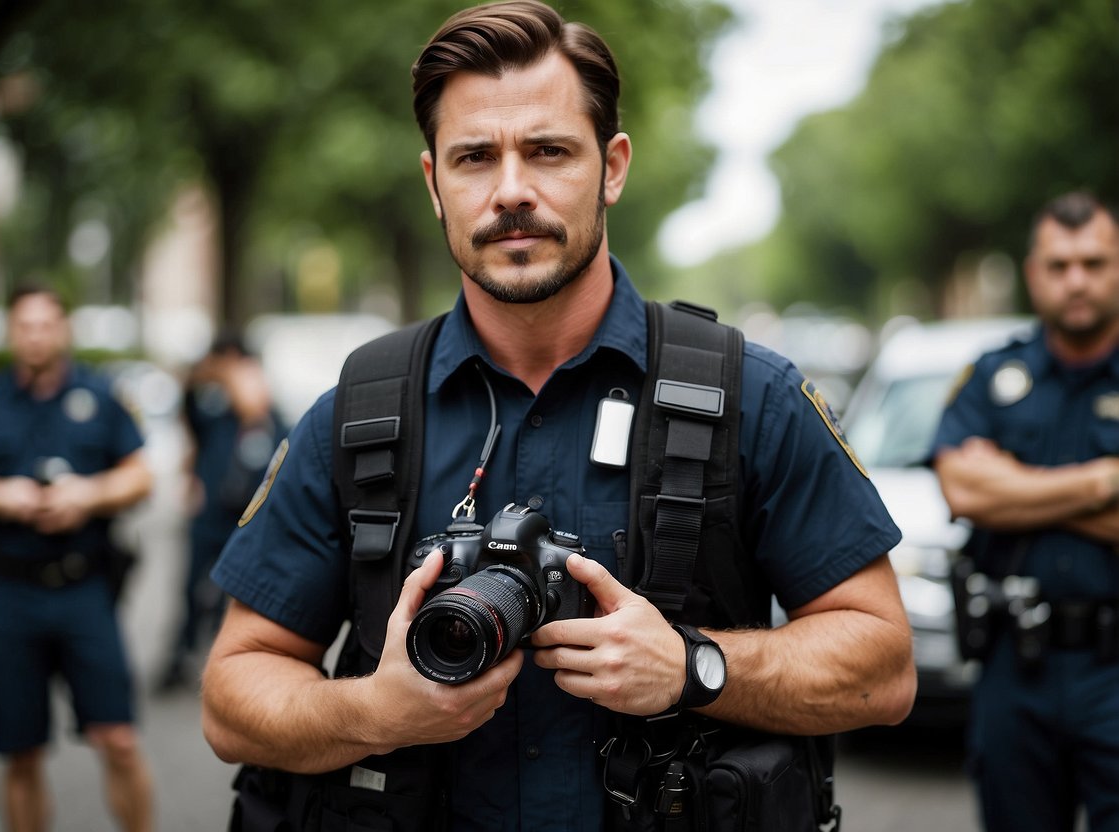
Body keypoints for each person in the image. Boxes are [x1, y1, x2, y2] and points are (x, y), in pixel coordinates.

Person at [201, 3, 916, 830]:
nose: (511, 191)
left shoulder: (748, 398)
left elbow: (884, 666)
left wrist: (694, 667)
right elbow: (231, 696)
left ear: (611, 167)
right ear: (434, 183)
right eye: (474, 157)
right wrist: (375, 712)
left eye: (547, 151)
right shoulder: (358, 416)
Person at [0, 286, 155, 832]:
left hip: (84, 590)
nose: (35, 336)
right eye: (24, 326)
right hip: (9, 595)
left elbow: (141, 476)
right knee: (22, 752)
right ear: (11, 333)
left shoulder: (102, 398)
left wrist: (88, 495)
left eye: (45, 324)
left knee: (118, 740)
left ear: (64, 329)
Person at [931, 191, 1119, 832]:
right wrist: (1102, 481)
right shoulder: (992, 374)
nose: (1077, 281)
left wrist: (1015, 488)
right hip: (1016, 666)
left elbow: (991, 494)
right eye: (1059, 264)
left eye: (1094, 263)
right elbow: (964, 493)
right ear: (1033, 271)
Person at [157, 331, 285, 692]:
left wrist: (247, 395)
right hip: (210, 514)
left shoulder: (266, 408)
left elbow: (268, 436)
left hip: (248, 516)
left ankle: (230, 660)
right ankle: (180, 656)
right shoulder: (210, 406)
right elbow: (188, 418)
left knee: (241, 592)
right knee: (192, 588)